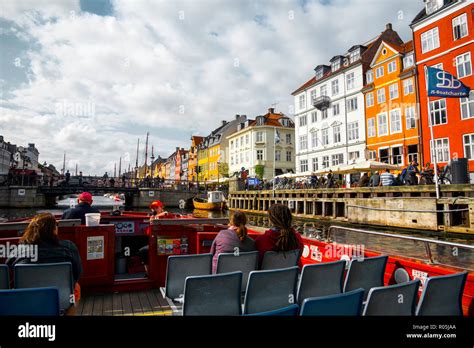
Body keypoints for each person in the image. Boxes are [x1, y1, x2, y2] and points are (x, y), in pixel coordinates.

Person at [6, 213, 82, 315]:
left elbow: (8, 269)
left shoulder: (20, 249)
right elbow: (78, 273)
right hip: (61, 297)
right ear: (54, 229)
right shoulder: (68, 247)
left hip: (26, 299)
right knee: (74, 287)